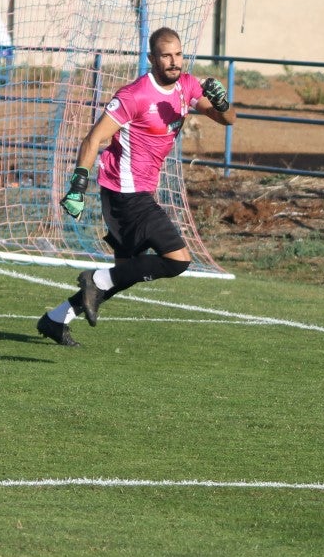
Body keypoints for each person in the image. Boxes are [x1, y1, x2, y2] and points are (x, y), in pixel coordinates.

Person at [37, 27, 236, 347]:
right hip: (124, 194)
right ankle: (94, 279)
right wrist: (77, 186)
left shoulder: (187, 86)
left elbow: (228, 119)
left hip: (139, 192)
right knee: (177, 260)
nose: (174, 62)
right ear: (151, 59)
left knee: (126, 273)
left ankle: (56, 319)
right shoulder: (135, 95)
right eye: (166, 55)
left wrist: (222, 102)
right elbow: (94, 138)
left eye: (178, 54)